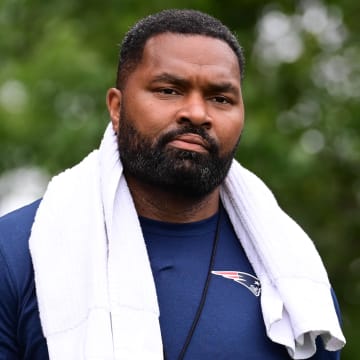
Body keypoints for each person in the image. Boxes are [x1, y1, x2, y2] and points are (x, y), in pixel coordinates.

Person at [0, 9, 345, 360]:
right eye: (168, 90)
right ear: (116, 109)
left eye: (220, 99)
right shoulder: (18, 251)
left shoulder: (292, 270)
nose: (197, 113)